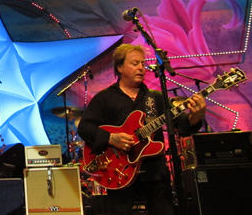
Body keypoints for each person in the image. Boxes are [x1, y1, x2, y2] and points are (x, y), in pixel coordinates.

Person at [77, 44, 206, 215]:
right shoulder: (105, 98)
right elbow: (85, 127)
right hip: (118, 171)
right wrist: (111, 138)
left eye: (142, 64)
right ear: (120, 67)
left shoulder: (155, 97)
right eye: (134, 63)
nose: (141, 68)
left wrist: (196, 115)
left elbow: (181, 124)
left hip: (154, 171)